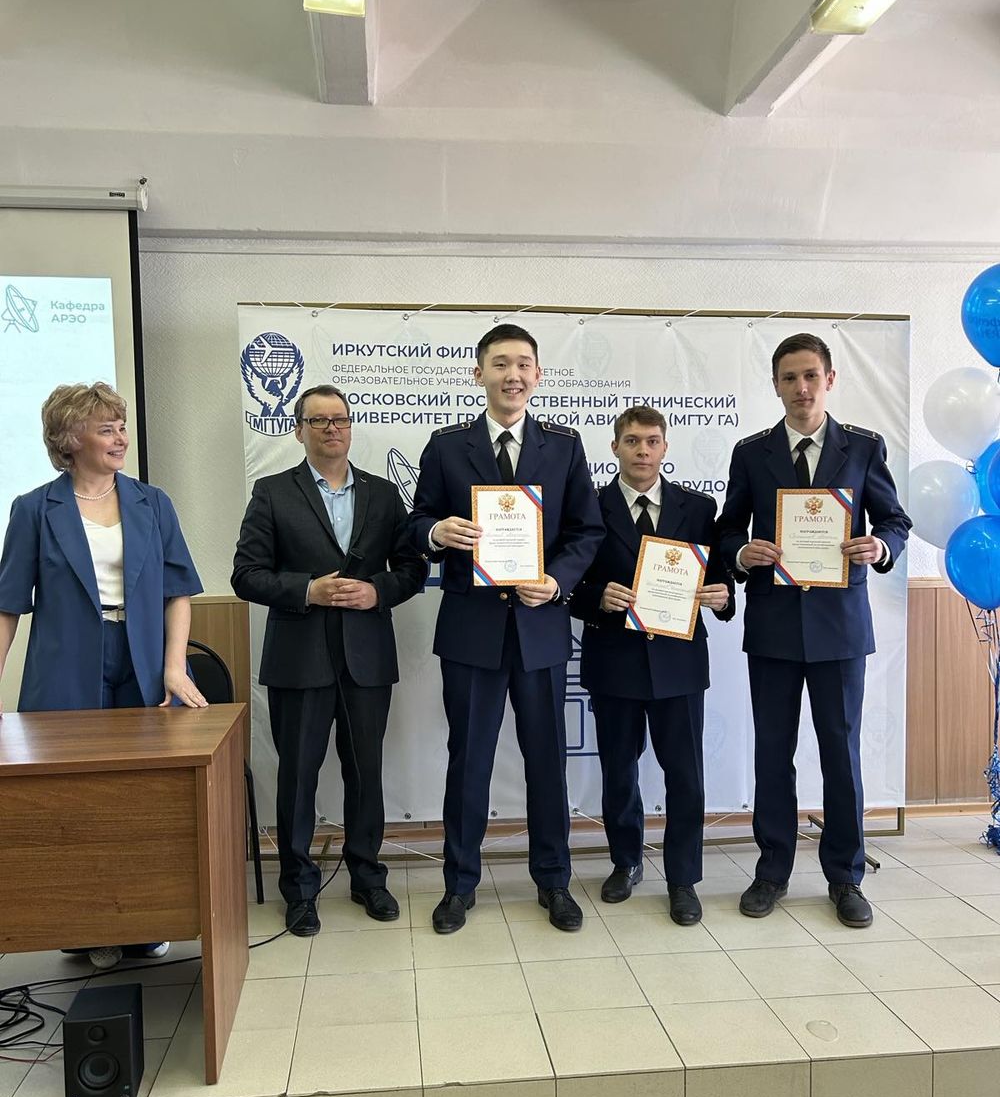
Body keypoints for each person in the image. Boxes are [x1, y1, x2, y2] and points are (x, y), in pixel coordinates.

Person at [406, 323, 604, 934]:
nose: (511, 375)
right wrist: (436, 532)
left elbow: (587, 531)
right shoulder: (447, 446)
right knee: (469, 760)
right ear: (479, 374)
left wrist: (558, 582)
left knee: (547, 761)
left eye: (523, 364)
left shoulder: (564, 447)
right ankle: (459, 884)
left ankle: (554, 881)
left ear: (538, 375)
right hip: (472, 631)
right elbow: (416, 521)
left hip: (540, 628)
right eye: (499, 364)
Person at [0, 380, 206, 968]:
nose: (120, 438)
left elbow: (178, 591)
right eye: (105, 429)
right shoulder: (34, 508)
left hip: (143, 661)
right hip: (65, 664)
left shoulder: (152, 502)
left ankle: (145, 920)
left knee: (144, 800)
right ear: (70, 439)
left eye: (121, 427)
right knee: (73, 804)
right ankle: (86, 926)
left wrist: (173, 665)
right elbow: (8, 605)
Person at [717, 333, 911, 928]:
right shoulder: (752, 452)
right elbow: (727, 529)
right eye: (788, 378)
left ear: (830, 379)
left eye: (810, 376)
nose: (800, 388)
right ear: (775, 385)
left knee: (840, 754)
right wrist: (742, 552)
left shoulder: (863, 447)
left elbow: (895, 520)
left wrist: (879, 546)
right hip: (773, 626)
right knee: (773, 753)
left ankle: (845, 876)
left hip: (840, 627)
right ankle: (772, 870)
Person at [232, 384, 427, 936]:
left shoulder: (383, 494)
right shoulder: (272, 492)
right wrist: (307, 590)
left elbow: (412, 569)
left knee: (366, 772)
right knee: (298, 775)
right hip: (300, 660)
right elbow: (245, 575)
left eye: (339, 419)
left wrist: (377, 592)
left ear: (350, 427)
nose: (331, 428)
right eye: (318, 421)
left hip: (367, 659)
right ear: (299, 431)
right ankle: (299, 889)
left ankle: (367, 876)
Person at [571, 406, 734, 925]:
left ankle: (683, 879)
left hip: (678, 662)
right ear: (614, 447)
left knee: (685, 776)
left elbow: (720, 580)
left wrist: (722, 598)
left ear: (665, 448)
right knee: (619, 772)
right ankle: (626, 862)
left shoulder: (700, 508)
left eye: (652, 441)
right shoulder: (588, 507)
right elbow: (567, 582)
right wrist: (597, 597)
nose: (642, 450)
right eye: (632, 441)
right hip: (614, 660)